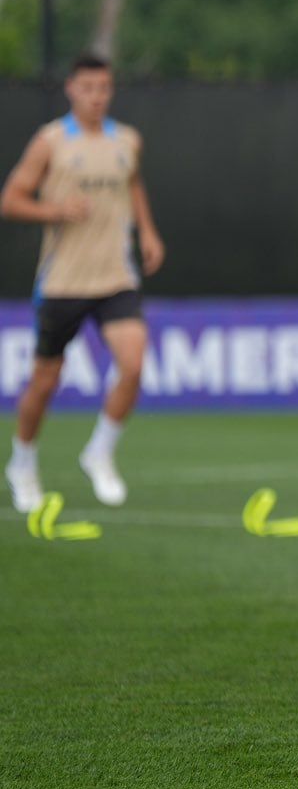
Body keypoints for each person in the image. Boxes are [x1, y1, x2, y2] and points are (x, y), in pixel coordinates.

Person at [3, 55, 166, 514]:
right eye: (88, 87)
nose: (97, 96)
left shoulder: (126, 140)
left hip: (116, 275)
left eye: (104, 88)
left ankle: (99, 452)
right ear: (72, 89)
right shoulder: (50, 142)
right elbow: (11, 200)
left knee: (133, 365)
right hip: (63, 281)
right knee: (45, 380)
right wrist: (54, 211)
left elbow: (133, 186)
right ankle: (23, 462)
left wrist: (148, 232)